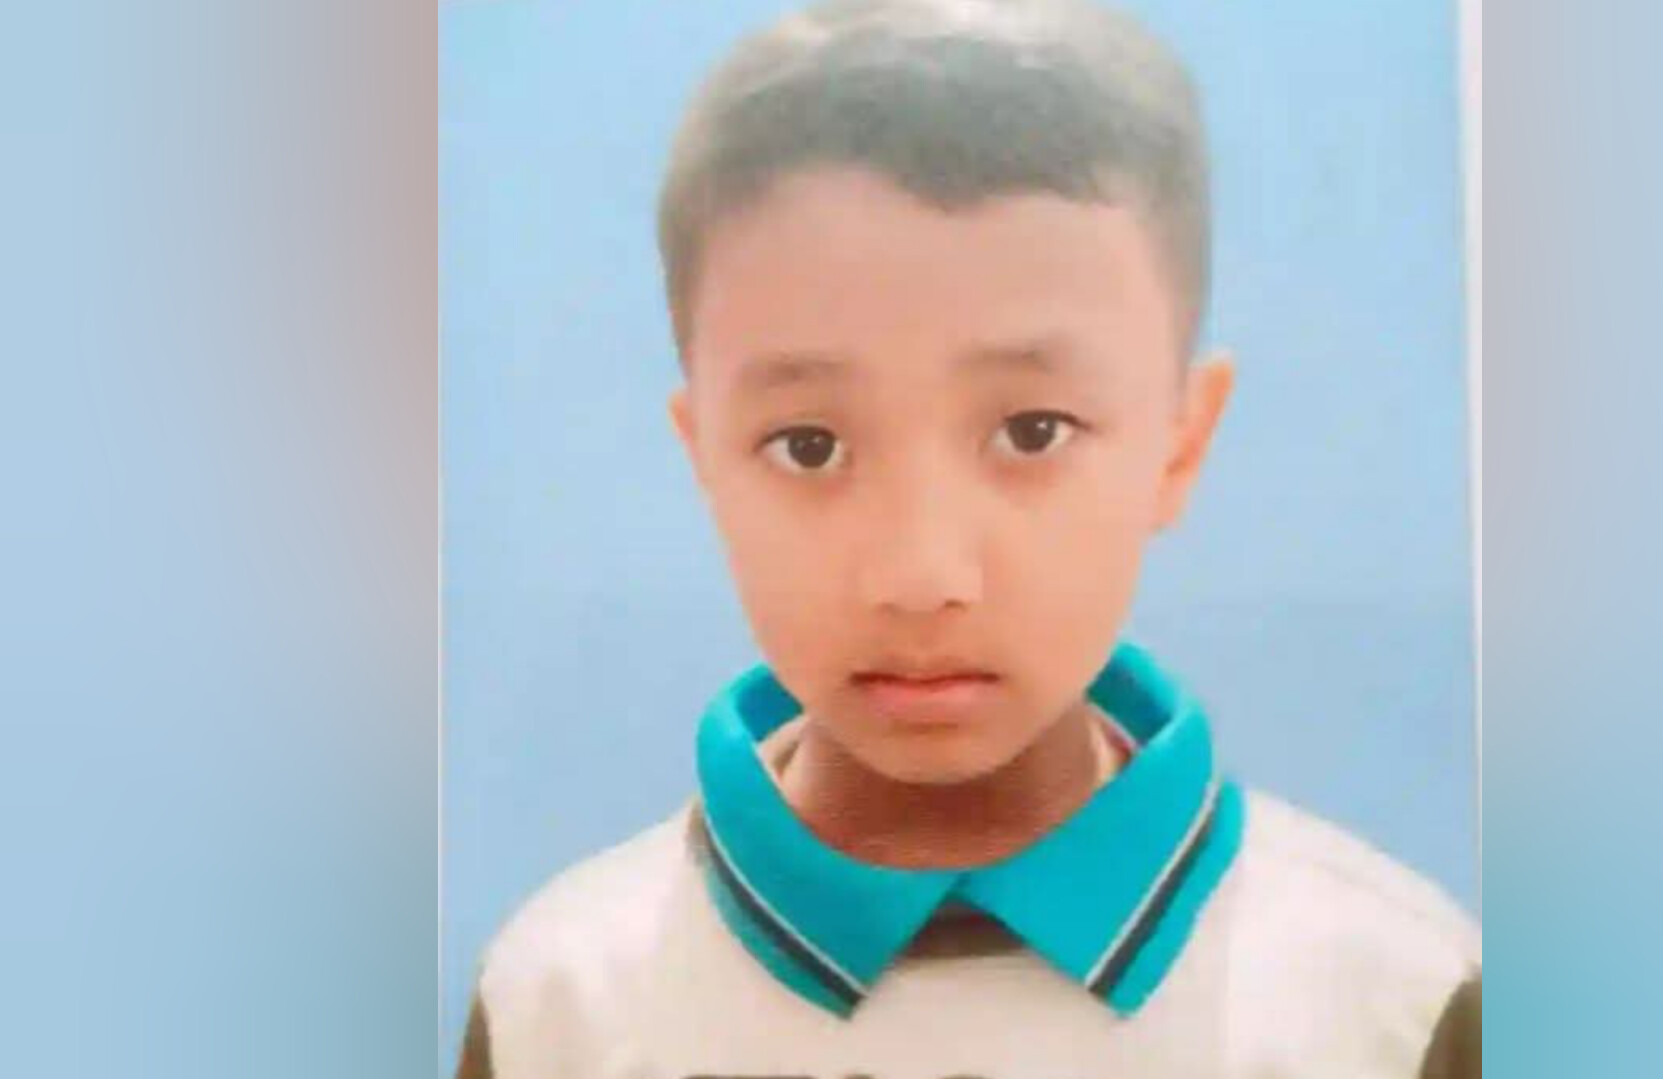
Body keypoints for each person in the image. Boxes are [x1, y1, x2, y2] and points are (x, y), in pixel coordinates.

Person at [457, 1, 1480, 1076]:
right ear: (702, 451)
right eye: (809, 445)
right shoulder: (558, 1010)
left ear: (1180, 443)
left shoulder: (1390, 1005)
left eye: (1032, 432)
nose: (920, 574)